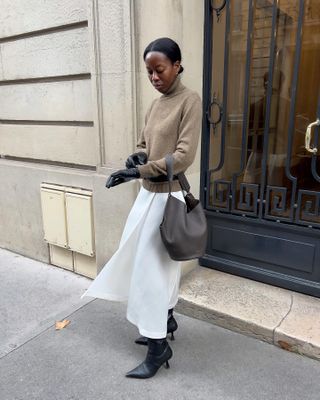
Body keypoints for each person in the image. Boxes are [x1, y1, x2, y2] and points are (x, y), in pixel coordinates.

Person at [82, 37, 202, 379]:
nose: (154, 77)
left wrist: (139, 170)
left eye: (159, 69)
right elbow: (144, 145)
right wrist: (136, 157)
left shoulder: (189, 101)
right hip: (148, 196)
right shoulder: (155, 105)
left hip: (168, 199)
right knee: (145, 265)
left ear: (177, 65)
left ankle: (157, 346)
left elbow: (183, 156)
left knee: (152, 273)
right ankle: (165, 318)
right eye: (149, 71)